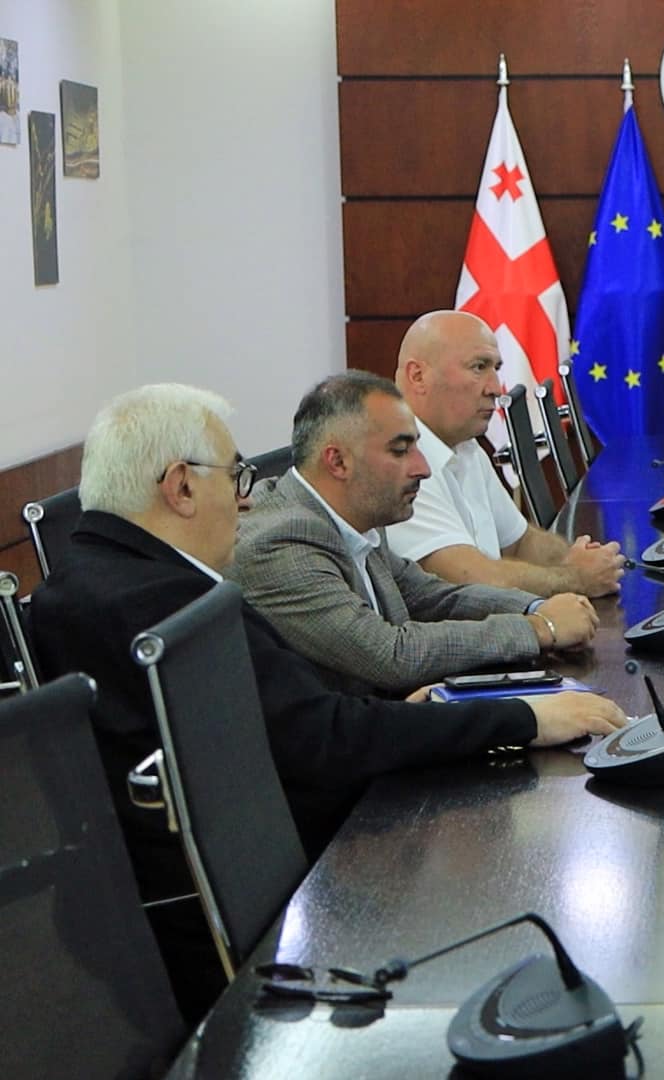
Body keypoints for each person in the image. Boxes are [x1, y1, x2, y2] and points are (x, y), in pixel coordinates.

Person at [29, 384, 622, 1022]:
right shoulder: (173, 607)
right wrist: (524, 718)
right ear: (180, 487)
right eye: (235, 476)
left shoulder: (88, 580)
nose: (246, 498)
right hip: (255, 911)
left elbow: (297, 723)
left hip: (171, 892)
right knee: (504, 883)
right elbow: (323, 738)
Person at [233, 372, 597, 696]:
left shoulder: (355, 515)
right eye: (400, 451)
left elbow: (430, 596)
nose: (423, 468)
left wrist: (536, 607)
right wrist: (539, 628)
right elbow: (391, 655)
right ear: (338, 461)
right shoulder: (279, 543)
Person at [385, 310, 624, 594]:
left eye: (496, 368)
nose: (497, 388)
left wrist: (581, 558)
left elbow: (520, 542)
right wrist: (575, 577)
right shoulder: (395, 461)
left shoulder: (466, 446)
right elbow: (468, 581)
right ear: (418, 376)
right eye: (478, 367)